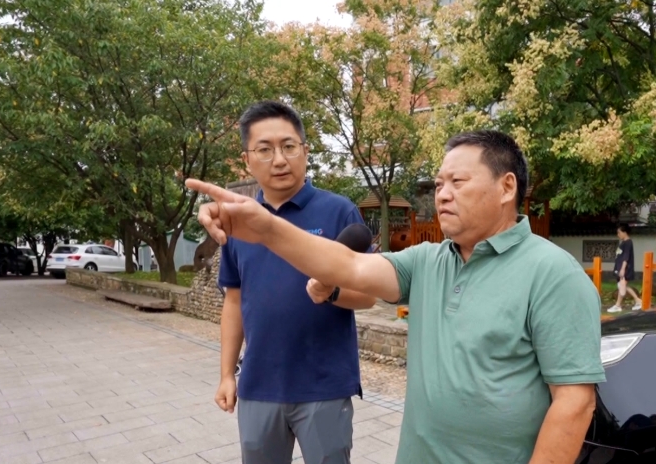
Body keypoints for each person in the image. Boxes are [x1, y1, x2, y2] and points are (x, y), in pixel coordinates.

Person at [188, 129, 605, 464]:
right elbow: (349, 266)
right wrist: (265, 227)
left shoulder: (553, 274)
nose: (442, 194)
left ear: (506, 186)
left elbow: (574, 403)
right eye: (439, 184)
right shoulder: (427, 261)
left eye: (458, 182)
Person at [213, 101, 376, 464]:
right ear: (246, 160)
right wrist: (226, 374)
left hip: (324, 386)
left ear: (305, 150)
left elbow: (368, 295)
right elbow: (234, 302)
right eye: (264, 149)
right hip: (258, 385)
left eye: (288, 146)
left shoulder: (339, 212)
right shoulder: (239, 222)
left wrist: (332, 291)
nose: (279, 160)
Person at [607, 223, 642, 313]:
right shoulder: (623, 243)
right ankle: (638, 301)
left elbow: (626, 257)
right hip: (620, 268)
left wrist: (623, 269)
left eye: (619, 232)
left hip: (625, 268)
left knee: (622, 285)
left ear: (624, 232)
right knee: (623, 286)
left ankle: (618, 305)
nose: (618, 234)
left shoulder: (628, 243)